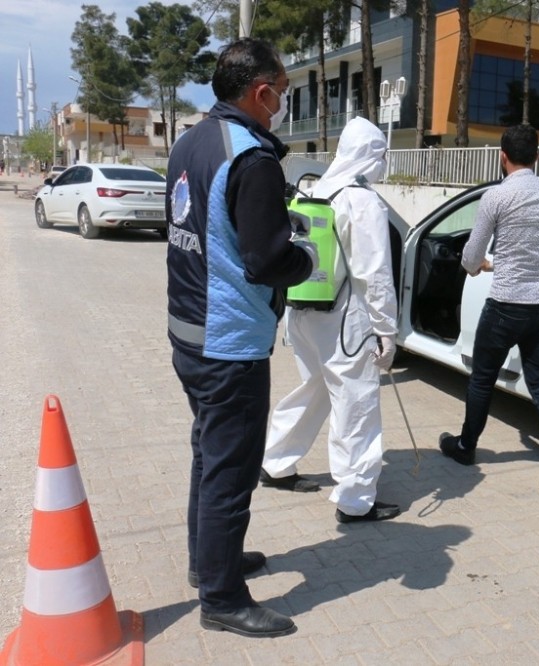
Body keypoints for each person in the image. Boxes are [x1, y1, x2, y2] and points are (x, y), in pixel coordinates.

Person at [165, 38, 315, 639]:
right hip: (230, 344)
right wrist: (303, 255)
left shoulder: (191, 142)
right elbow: (265, 261)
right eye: (280, 90)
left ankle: (210, 563)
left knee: (209, 455)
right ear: (261, 91)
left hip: (188, 331)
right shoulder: (252, 158)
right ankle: (223, 598)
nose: (281, 102)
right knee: (230, 470)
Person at [260, 116, 401, 524]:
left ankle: (276, 462)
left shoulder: (316, 189)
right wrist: (386, 331)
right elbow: (374, 273)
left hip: (303, 313)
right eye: (382, 154)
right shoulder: (361, 199)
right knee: (357, 403)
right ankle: (356, 500)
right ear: (371, 155)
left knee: (316, 388)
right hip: (345, 322)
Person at [438, 124, 539, 493]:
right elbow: (534, 251)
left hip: (506, 304)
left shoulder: (496, 197)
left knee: (483, 377)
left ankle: (466, 446)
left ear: (502, 156)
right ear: (537, 156)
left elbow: (471, 255)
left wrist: (479, 265)